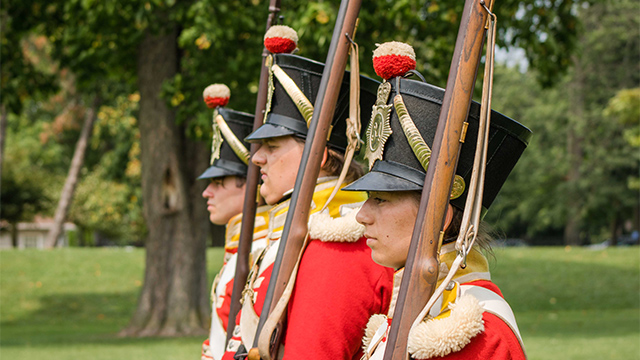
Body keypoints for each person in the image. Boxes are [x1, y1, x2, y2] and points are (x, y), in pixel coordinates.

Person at [343, 42, 532, 359]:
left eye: (381, 200)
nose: (362, 215)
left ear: (438, 217)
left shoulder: (482, 332)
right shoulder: (417, 308)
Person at [222, 26, 395, 360]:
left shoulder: (337, 244)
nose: (257, 158)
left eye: (272, 146)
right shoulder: (295, 234)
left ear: (322, 157)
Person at [199, 84, 271, 360]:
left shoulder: (259, 252)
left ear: (250, 186)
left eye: (218, 183)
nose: (207, 192)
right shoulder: (239, 252)